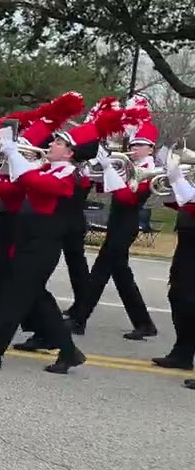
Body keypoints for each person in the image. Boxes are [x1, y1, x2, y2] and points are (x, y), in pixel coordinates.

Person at [0, 105, 95, 374]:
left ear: (70, 153)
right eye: (55, 140)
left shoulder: (70, 177)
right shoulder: (44, 169)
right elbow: (5, 188)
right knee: (39, 302)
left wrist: (13, 152)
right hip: (24, 242)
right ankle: (69, 353)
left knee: (12, 301)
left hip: (41, 247)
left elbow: (36, 183)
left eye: (59, 142)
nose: (52, 144)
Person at [65, 101, 159, 339]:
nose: (135, 149)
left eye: (141, 146)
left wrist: (108, 169)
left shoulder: (150, 170)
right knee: (120, 276)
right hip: (117, 223)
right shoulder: (130, 166)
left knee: (101, 273)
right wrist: (99, 169)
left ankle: (79, 318)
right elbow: (104, 189)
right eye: (134, 144)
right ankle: (144, 323)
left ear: (151, 149)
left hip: (126, 225)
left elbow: (128, 197)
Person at [154, 156, 194, 380]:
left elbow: (190, 198)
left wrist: (177, 178)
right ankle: (182, 353)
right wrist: (171, 184)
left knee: (190, 300)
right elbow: (182, 201)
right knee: (177, 295)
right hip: (187, 240)